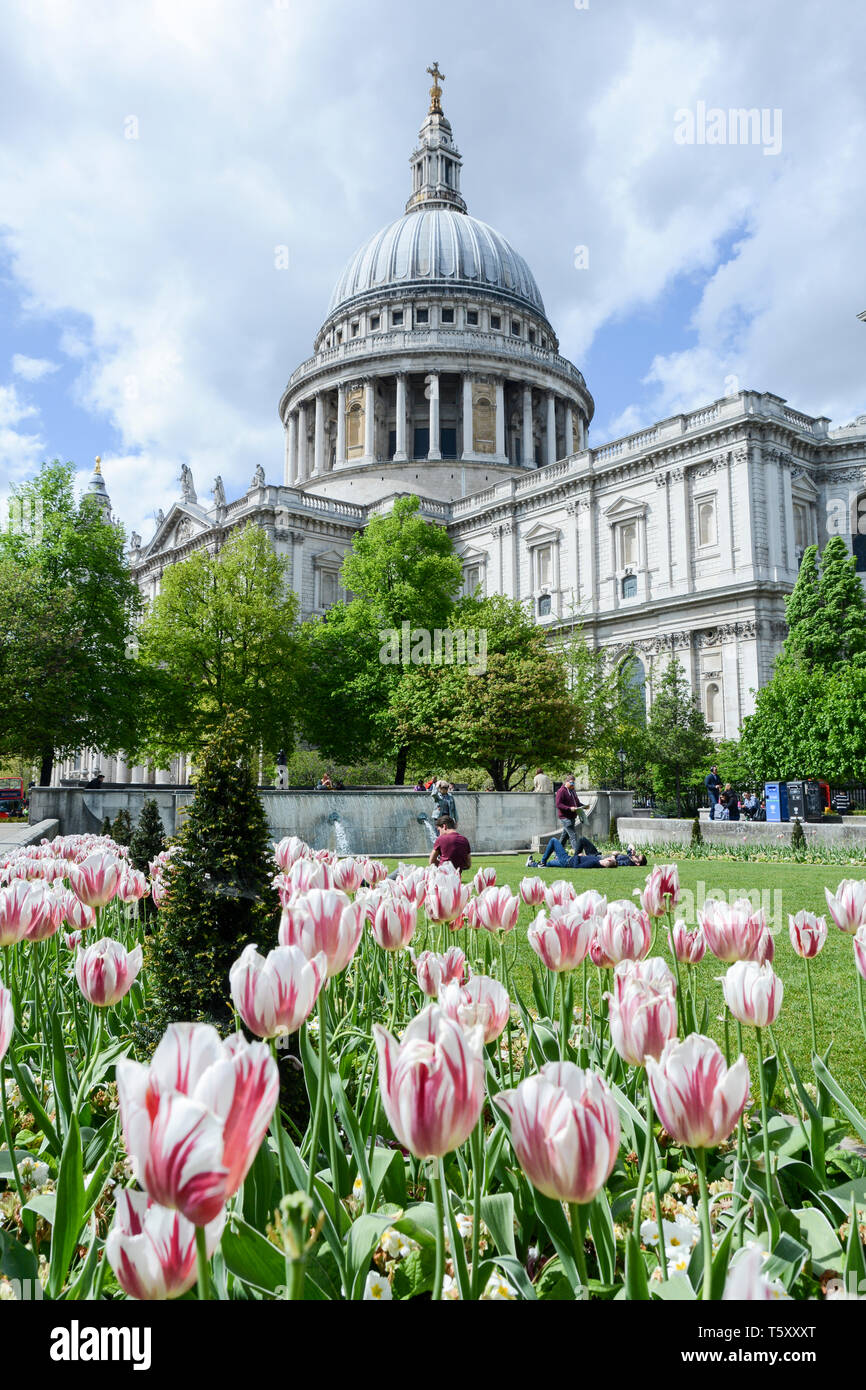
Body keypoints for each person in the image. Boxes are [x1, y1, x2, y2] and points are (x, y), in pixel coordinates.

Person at [527, 842, 647, 870]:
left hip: (569, 861)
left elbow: (579, 866)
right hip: (569, 861)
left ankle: (541, 862)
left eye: (637, 858)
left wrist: (577, 857)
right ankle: (533, 864)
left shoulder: (628, 862)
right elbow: (630, 846)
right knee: (550, 864)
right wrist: (633, 850)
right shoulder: (629, 857)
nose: (635, 856)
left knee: (553, 841)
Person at [554, 774, 586, 854]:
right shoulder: (561, 791)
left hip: (572, 817)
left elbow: (577, 803)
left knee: (564, 837)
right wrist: (569, 808)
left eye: (574, 783)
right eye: (571, 783)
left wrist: (583, 806)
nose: (573, 785)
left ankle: (557, 853)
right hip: (565, 817)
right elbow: (558, 804)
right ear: (566, 782)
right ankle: (578, 854)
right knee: (573, 835)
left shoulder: (573, 791)